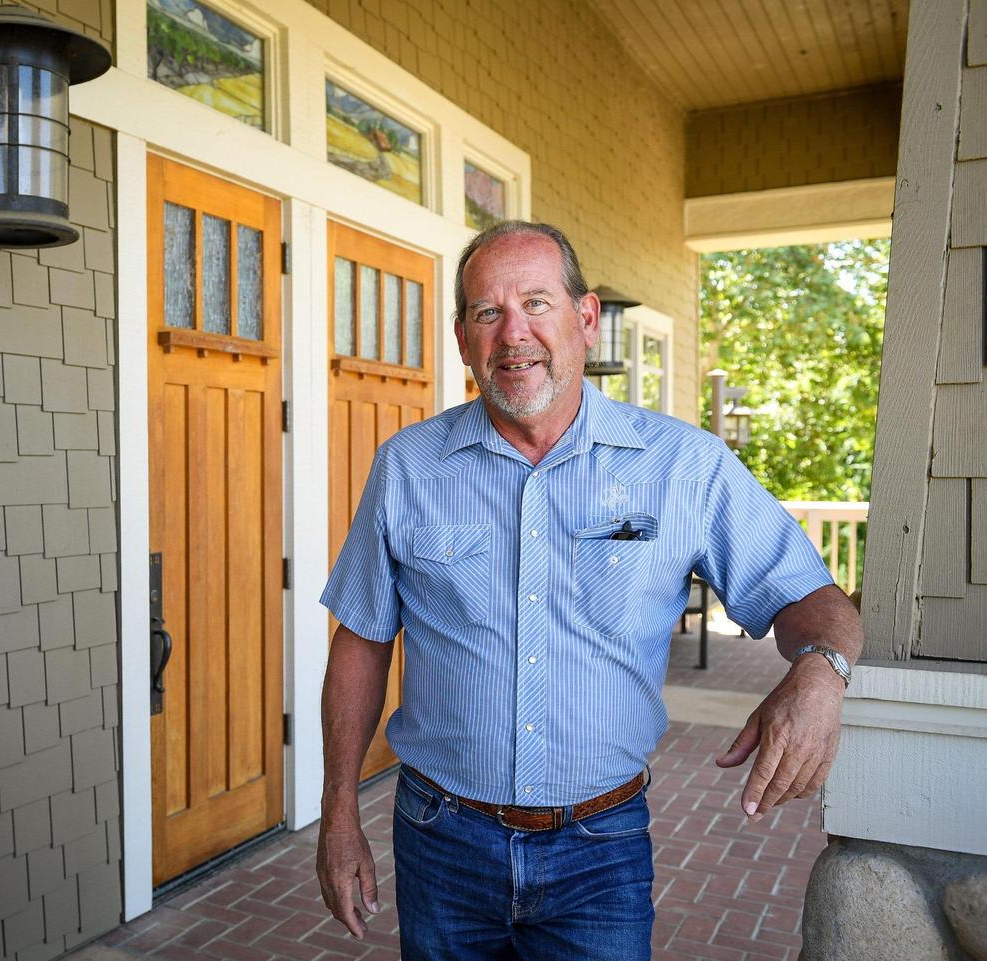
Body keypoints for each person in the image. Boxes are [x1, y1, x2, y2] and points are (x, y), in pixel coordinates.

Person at [315, 220, 864, 961]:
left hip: (599, 849)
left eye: (537, 303)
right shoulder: (409, 467)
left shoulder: (684, 468)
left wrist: (822, 673)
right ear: (461, 336)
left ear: (585, 318)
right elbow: (362, 638)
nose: (514, 334)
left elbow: (813, 598)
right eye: (488, 312)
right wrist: (338, 808)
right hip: (439, 836)